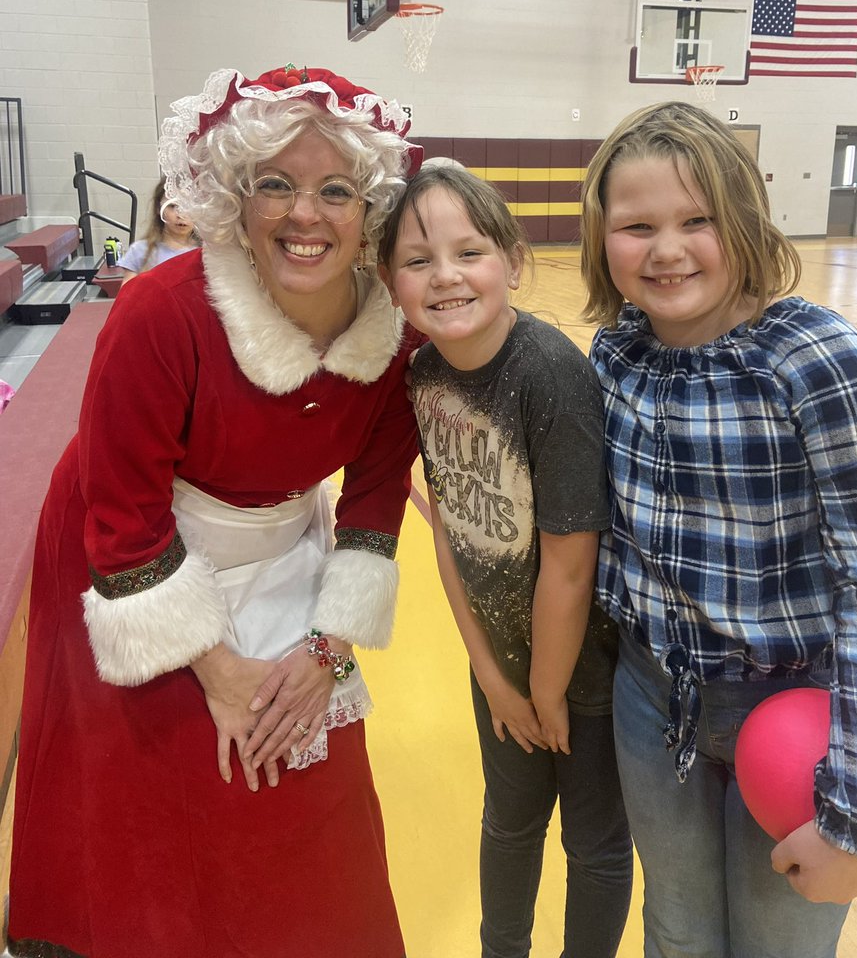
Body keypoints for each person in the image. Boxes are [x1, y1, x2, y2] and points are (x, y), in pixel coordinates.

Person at [7, 65, 424, 958]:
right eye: (276, 184)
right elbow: (120, 513)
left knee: (307, 783)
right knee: (155, 788)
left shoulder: (395, 337)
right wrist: (219, 667)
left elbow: (376, 505)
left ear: (370, 208)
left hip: (283, 551)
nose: (304, 216)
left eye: (335, 190)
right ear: (237, 195)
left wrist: (324, 651)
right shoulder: (162, 313)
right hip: (126, 554)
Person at [580, 100, 857, 958]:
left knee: (779, 947)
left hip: (795, 713)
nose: (667, 249)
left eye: (698, 220)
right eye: (636, 225)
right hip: (653, 703)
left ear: (746, 221)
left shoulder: (816, 360)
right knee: (677, 933)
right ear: (602, 238)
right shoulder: (616, 355)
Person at [379, 161, 633, 958]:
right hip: (503, 669)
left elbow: (570, 563)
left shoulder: (549, 371)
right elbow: (450, 531)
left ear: (513, 262)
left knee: (594, 843)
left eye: (469, 252)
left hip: (581, 676)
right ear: (391, 284)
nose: (446, 276)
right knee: (509, 822)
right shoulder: (421, 374)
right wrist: (493, 676)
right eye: (418, 261)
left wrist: (548, 690)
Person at [118, 177, 200, 283]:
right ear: (159, 208)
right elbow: (126, 297)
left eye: (188, 206)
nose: (181, 215)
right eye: (173, 206)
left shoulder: (208, 253)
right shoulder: (140, 251)